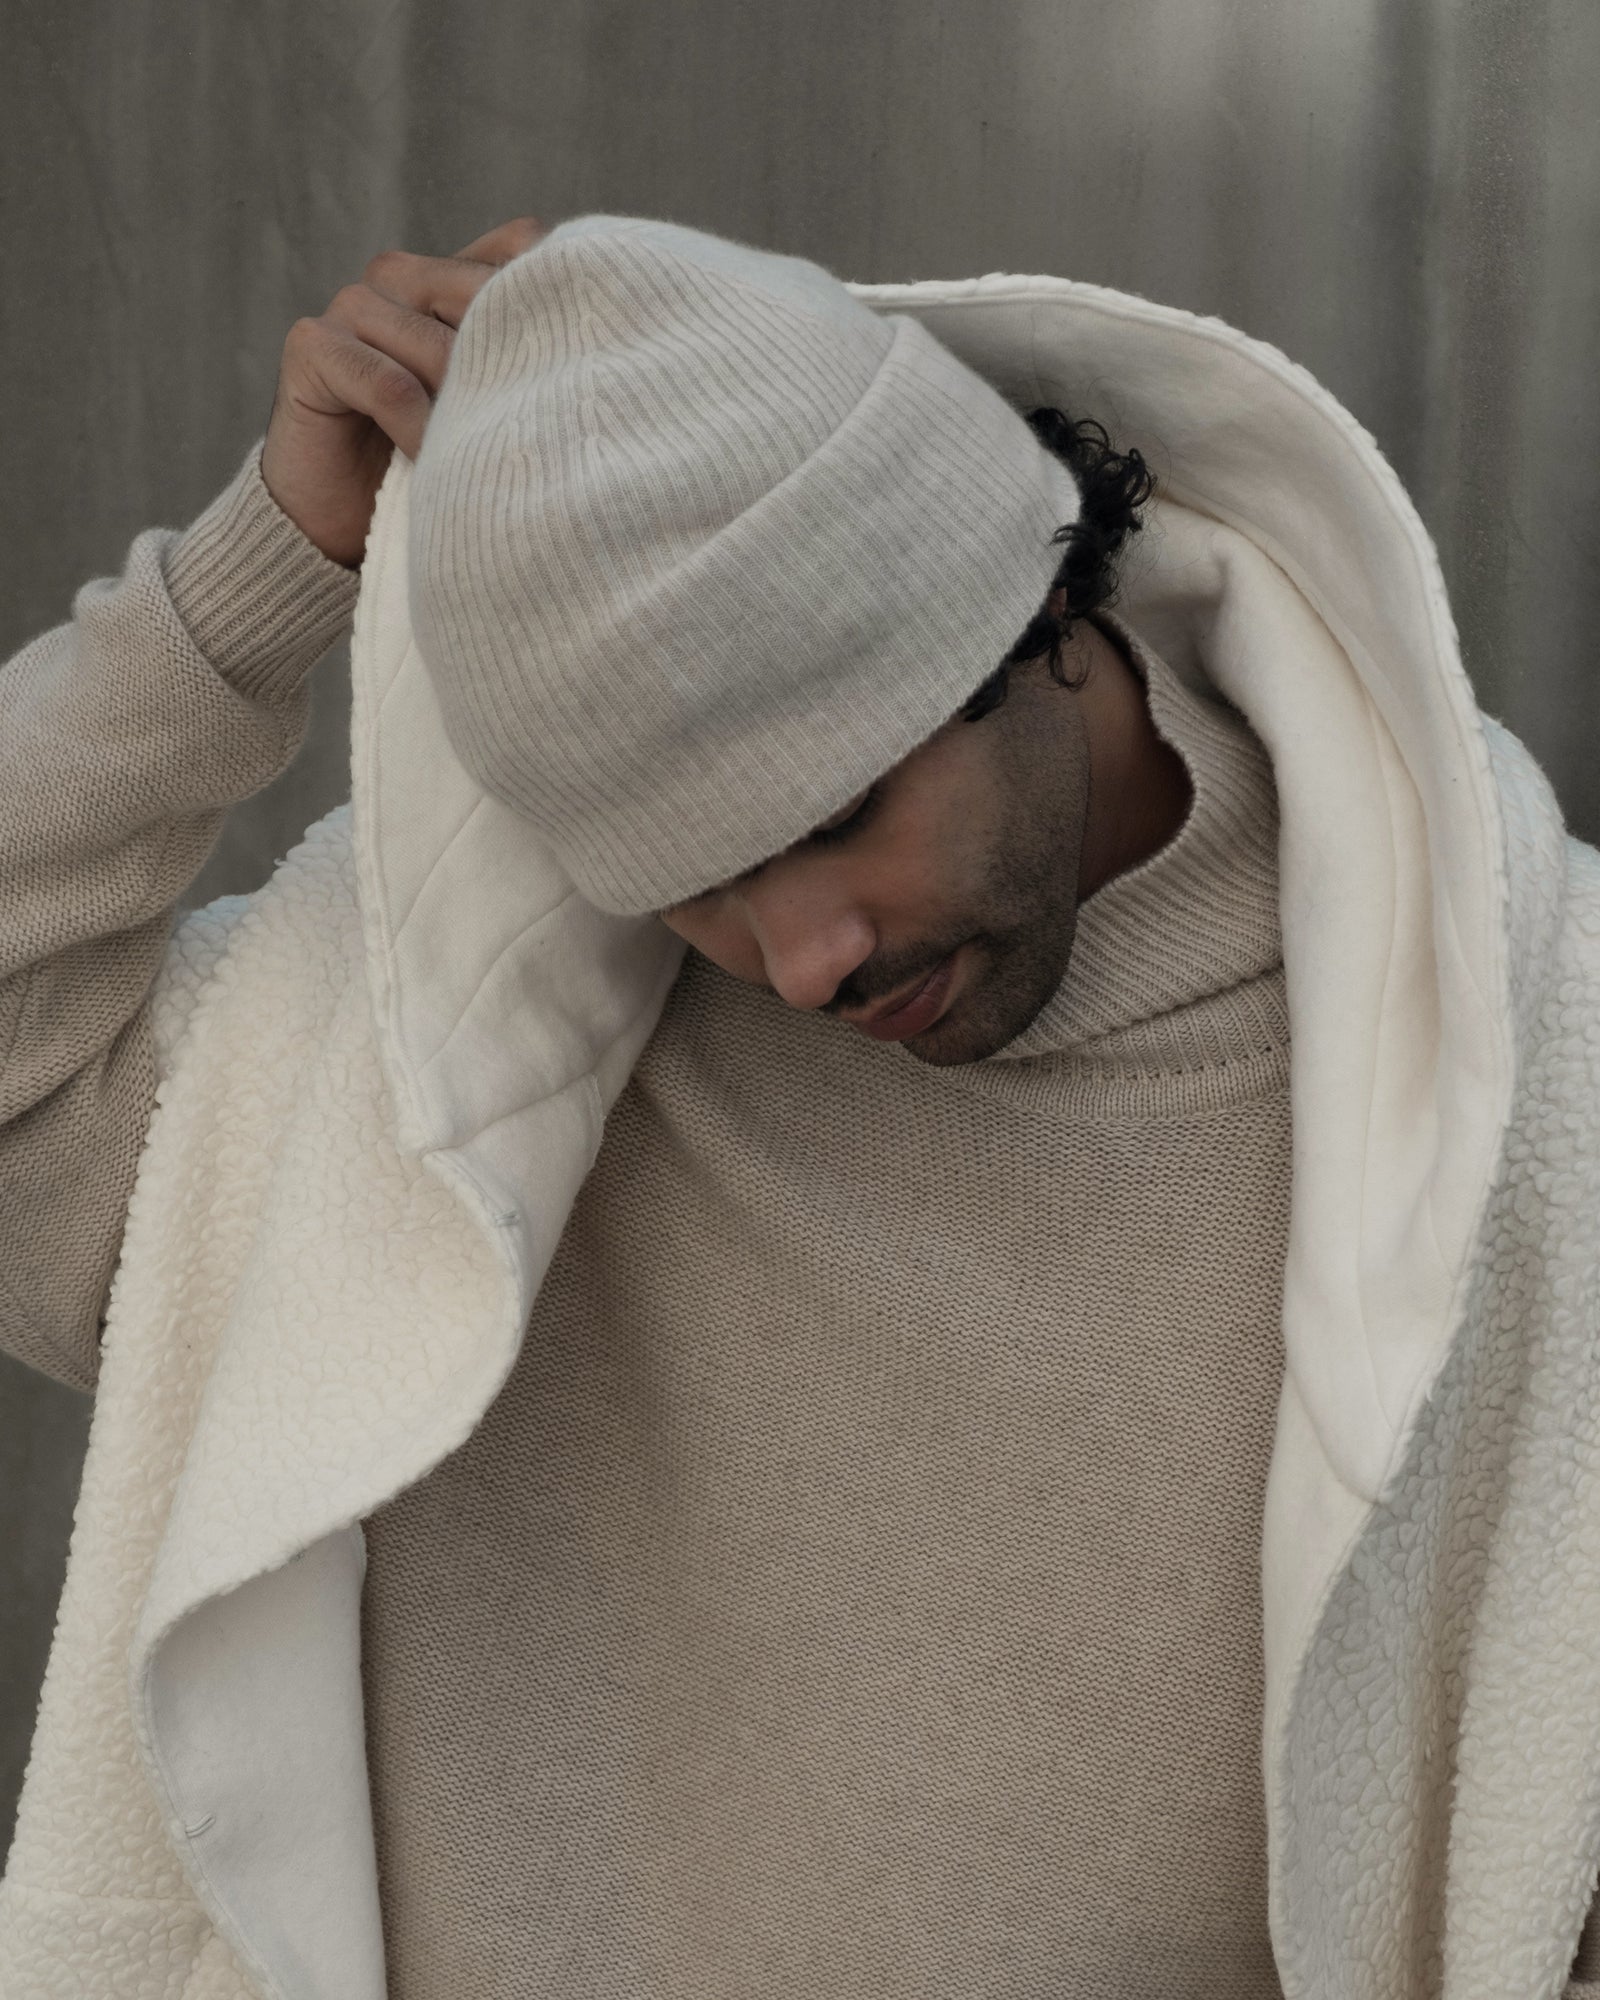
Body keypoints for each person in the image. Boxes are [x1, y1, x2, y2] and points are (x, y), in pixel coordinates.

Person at [3, 211, 1600, 2000]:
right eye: (694, 884)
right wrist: (256, 585)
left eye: (838, 814)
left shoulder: (1532, 1070)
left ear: (1038, 597)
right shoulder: (431, 1080)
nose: (805, 957)